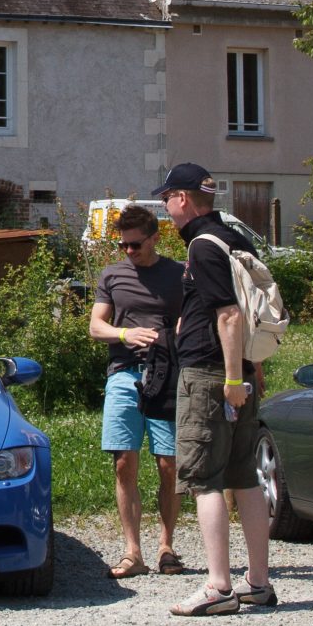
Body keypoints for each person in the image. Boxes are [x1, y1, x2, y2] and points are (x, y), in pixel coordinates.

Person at [157, 164, 276, 615]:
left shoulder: (203, 246)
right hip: (239, 373)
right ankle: (258, 583)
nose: (166, 208)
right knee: (244, 476)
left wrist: (230, 380)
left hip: (212, 377)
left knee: (205, 480)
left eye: (167, 198)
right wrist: (250, 371)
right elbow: (252, 309)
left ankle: (219, 587)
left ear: (183, 199)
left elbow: (229, 314)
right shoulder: (235, 238)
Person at [89, 205, 184, 578]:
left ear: (155, 238)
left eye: (136, 245)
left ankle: (166, 547)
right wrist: (125, 333)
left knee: (169, 464)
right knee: (123, 463)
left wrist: (171, 338)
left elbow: (192, 320)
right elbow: (96, 326)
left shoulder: (178, 274)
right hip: (124, 374)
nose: (129, 251)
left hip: (167, 376)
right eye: (123, 245)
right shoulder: (112, 275)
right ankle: (133, 552)